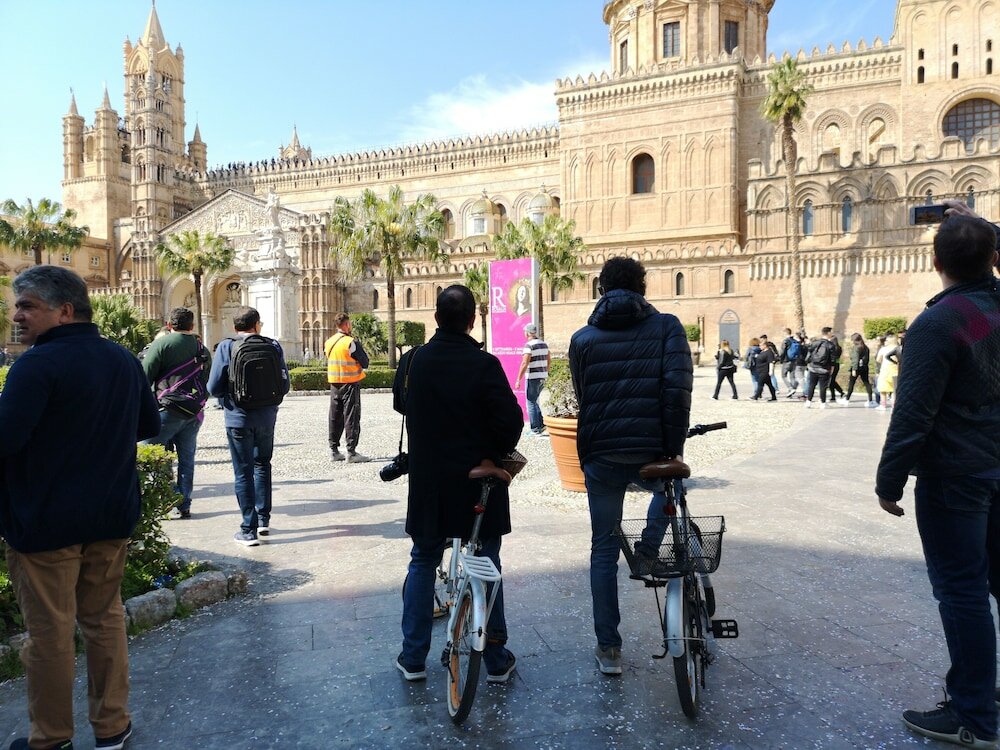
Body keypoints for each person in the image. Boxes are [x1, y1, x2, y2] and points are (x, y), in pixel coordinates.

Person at [0, 265, 159, 750]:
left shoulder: (36, 365)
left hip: (46, 523)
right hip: (110, 515)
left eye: (27, 305)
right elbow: (147, 425)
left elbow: (4, 442)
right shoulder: (121, 358)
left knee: (48, 634)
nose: (17, 315)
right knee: (104, 620)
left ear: (64, 310)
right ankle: (113, 727)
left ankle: (50, 738)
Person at [876, 214, 1000, 749]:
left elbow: (914, 415)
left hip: (957, 475)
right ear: (992, 259)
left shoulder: (944, 322)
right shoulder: (981, 315)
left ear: (936, 262)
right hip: (994, 468)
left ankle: (975, 716)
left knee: (963, 591)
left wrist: (889, 479)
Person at [569, 257, 692, 675]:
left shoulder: (583, 338)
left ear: (601, 287)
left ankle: (609, 649)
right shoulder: (668, 328)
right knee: (670, 492)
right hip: (650, 451)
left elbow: (584, 396)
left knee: (602, 548)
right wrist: (672, 450)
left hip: (601, 454)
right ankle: (647, 551)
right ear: (642, 286)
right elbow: (676, 392)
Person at [393, 285, 522, 683]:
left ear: (435, 318)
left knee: (423, 559)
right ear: (471, 321)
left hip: (431, 482)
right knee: (487, 562)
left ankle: (413, 657)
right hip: (476, 484)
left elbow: (401, 403)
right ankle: (496, 659)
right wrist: (490, 451)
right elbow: (511, 424)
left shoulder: (414, 361)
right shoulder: (485, 365)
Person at [208, 307, 290, 546]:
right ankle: (264, 519)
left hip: (238, 419)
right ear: (257, 325)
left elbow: (213, 387)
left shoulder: (227, 347)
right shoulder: (273, 346)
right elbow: (285, 385)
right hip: (266, 418)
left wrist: (230, 398)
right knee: (263, 465)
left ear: (235, 327)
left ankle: (248, 529)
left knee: (243, 471)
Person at [140, 307, 210, 519]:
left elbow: (145, 376)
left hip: (166, 410)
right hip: (193, 413)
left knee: (151, 453)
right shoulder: (202, 348)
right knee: (187, 458)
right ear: (192, 326)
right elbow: (206, 379)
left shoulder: (161, 343)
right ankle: (184, 503)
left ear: (169, 325)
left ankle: (165, 498)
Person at [324, 312, 370, 463]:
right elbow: (365, 362)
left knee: (335, 416)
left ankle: (334, 450)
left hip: (334, 383)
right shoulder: (350, 342)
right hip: (349, 382)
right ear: (346, 325)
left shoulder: (329, 342)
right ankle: (351, 452)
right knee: (351, 416)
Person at [514, 323, 550, 436]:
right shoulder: (544, 344)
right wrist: (545, 372)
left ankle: (535, 428)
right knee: (534, 400)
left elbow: (525, 362)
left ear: (527, 333)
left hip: (532, 377)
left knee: (530, 402)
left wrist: (518, 379)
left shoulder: (528, 346)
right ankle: (541, 424)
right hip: (543, 376)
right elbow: (549, 359)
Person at [804, 327, 836, 408]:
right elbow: (833, 359)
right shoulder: (830, 345)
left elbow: (809, 352)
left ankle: (808, 402)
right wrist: (832, 369)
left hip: (813, 367)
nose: (832, 334)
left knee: (812, 385)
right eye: (831, 332)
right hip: (824, 368)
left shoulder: (815, 342)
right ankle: (823, 403)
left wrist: (809, 363)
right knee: (823, 386)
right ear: (828, 333)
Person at [843, 333, 875, 407]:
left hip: (857, 367)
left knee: (851, 383)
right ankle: (870, 400)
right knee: (866, 383)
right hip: (864, 367)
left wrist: (854, 369)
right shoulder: (865, 347)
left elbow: (855, 359)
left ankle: (847, 399)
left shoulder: (856, 347)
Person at [875, 334, 899, 411]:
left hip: (885, 371)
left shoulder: (883, 349)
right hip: (896, 371)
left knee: (883, 389)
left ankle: (883, 405)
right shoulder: (899, 348)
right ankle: (894, 406)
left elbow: (878, 360)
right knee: (894, 390)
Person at [751, 333, 777, 401]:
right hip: (761, 370)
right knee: (770, 385)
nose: (759, 347)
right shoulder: (762, 352)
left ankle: (756, 396)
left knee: (760, 384)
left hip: (765, 371)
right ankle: (774, 397)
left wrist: (771, 371)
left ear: (765, 346)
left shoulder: (769, 352)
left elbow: (771, 362)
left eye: (760, 345)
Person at [778, 327, 800, 396]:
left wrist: (780, 359)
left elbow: (782, 351)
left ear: (785, 333)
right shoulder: (795, 341)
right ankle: (792, 389)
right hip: (794, 360)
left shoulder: (786, 341)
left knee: (783, 376)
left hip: (787, 360)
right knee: (792, 376)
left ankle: (790, 388)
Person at [826, 335, 846, 403]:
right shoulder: (839, 348)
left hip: (832, 365)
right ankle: (835, 395)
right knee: (832, 381)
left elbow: (832, 358)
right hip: (837, 364)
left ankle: (839, 394)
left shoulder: (833, 348)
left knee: (831, 381)